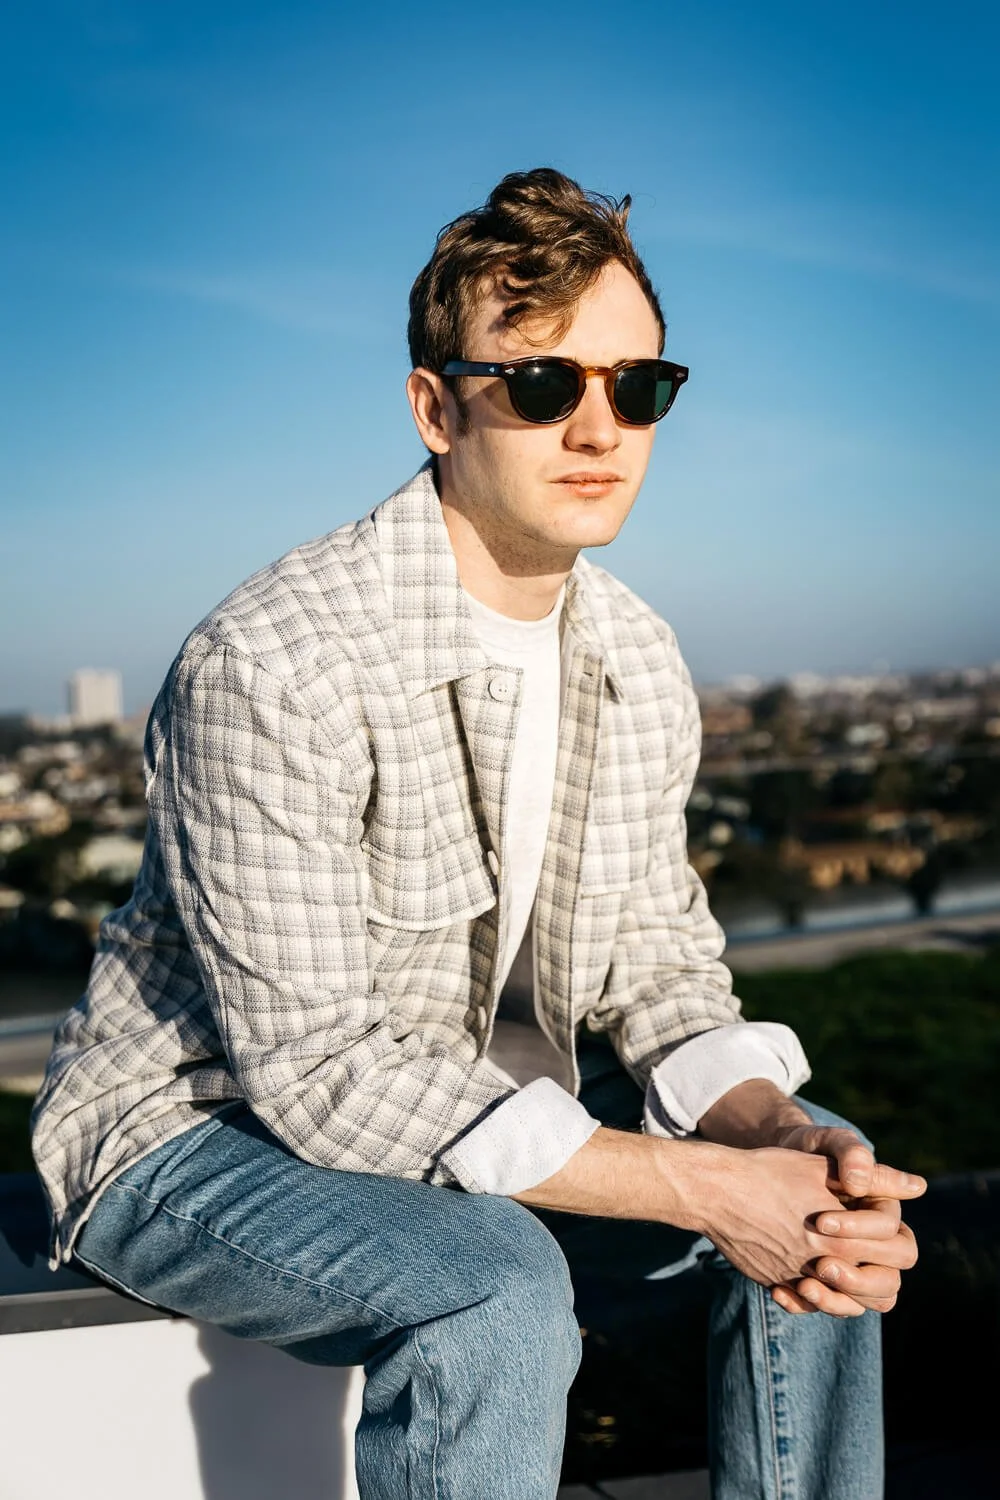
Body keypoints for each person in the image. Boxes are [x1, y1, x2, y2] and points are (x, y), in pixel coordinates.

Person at [31, 167, 924, 1500]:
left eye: (640, 387)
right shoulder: (274, 664)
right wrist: (704, 1192)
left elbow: (658, 971)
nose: (599, 427)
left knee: (825, 1182)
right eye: (545, 385)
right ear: (435, 406)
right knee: (493, 1290)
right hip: (193, 1135)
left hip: (462, 1105)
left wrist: (772, 1140)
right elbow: (323, 1070)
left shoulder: (634, 655)